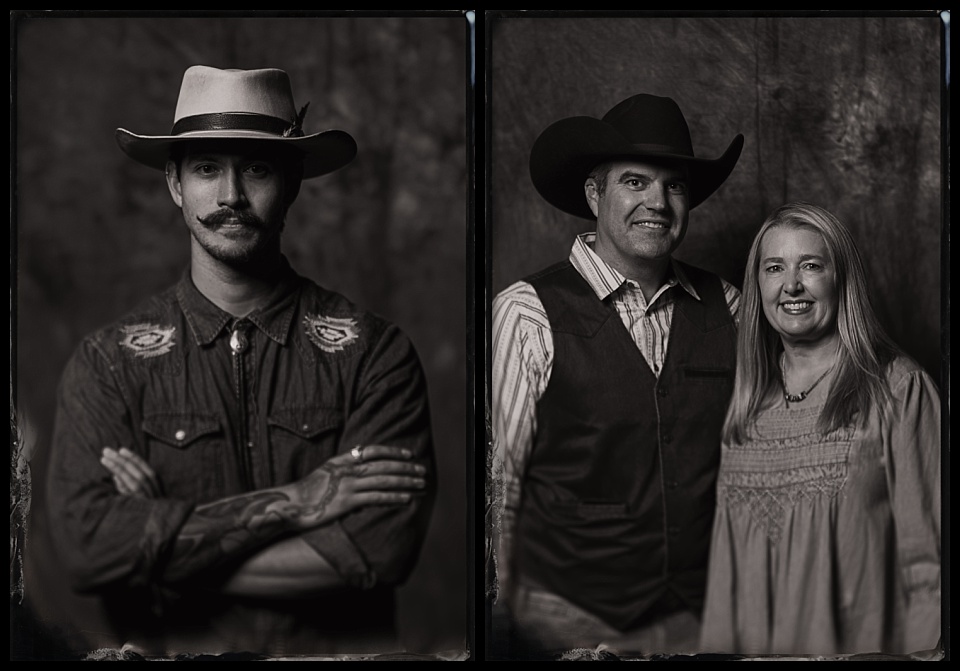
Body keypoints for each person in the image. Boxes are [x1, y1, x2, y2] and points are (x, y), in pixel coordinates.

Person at [46, 65, 436, 657]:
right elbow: (87, 550)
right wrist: (299, 503)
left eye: (256, 169)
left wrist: (157, 554)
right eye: (207, 168)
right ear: (175, 183)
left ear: (293, 181)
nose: (231, 195)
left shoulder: (375, 353)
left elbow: (378, 551)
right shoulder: (109, 363)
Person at [490, 93, 744, 658]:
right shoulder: (527, 313)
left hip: (703, 634)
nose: (657, 202)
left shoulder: (729, 307)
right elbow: (502, 494)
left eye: (674, 186)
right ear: (594, 194)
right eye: (635, 182)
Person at [699, 202, 941, 656]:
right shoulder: (747, 402)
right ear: (758, 284)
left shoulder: (898, 388)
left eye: (810, 265)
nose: (791, 285)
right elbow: (725, 583)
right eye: (774, 268)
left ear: (841, 279)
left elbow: (929, 564)